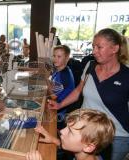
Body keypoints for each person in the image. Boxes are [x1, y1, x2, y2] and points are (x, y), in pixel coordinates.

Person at [48, 28, 129, 160]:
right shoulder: (90, 66)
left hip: (116, 137)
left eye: (99, 47)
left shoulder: (126, 76)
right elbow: (78, 90)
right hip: (85, 132)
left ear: (114, 49)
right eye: (93, 46)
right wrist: (59, 105)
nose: (94, 51)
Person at [26, 108, 115, 160]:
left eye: (70, 132)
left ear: (88, 147)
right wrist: (53, 139)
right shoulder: (86, 155)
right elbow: (76, 146)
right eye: (67, 127)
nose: (61, 131)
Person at [50, 45, 75, 129]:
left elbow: (53, 96)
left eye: (59, 56)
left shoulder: (64, 75)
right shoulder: (59, 70)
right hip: (57, 107)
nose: (55, 59)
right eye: (54, 56)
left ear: (67, 58)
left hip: (59, 113)